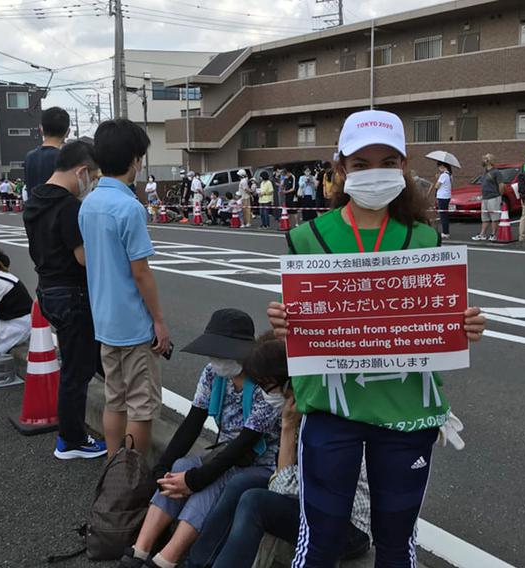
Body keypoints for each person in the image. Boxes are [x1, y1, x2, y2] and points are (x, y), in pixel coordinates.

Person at [266, 109, 486, 567]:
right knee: (319, 542)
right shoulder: (307, 238)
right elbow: (297, 322)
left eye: (388, 161)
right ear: (341, 167)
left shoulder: (425, 238)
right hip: (331, 410)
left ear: (404, 167)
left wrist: (462, 326)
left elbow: (437, 320)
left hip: (406, 413)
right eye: (361, 164)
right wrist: (282, 323)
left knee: (395, 545)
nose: (375, 173)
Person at [187, 332, 370, 568]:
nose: (266, 394)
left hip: (347, 527)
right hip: (312, 506)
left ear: (289, 382)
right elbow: (285, 484)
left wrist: (287, 427)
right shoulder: (300, 409)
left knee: (255, 502)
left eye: (267, 386)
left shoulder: (322, 420)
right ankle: (196, 562)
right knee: (240, 484)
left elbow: (282, 490)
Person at [119, 309, 281, 568]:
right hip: (226, 453)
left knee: (215, 480)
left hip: (261, 462)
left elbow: (246, 442)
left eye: (221, 353)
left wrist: (196, 480)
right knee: (180, 467)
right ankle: (141, 549)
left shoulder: (264, 381)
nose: (215, 360)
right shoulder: (213, 374)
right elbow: (193, 423)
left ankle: (167, 558)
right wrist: (164, 465)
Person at [80, 119, 170, 457]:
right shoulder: (129, 208)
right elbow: (141, 273)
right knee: (142, 406)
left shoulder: (88, 203)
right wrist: (159, 322)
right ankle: (133, 478)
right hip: (133, 325)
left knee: (114, 399)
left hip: (104, 322)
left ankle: (114, 470)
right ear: (134, 159)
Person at [23, 140, 107, 459]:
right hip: (72, 293)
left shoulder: (35, 200)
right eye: (94, 177)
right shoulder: (70, 206)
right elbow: (84, 258)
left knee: (85, 360)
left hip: (47, 290)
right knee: (76, 370)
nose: (93, 184)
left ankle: (79, 431)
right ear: (81, 171)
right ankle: (70, 439)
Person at [24, 106, 71, 190]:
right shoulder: (66, 157)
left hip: (32, 202)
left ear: (41, 129)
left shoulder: (29, 157)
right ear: (68, 132)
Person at [472, 154, 504, 242]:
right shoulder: (484, 172)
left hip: (494, 197)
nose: (483, 160)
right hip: (485, 198)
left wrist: (499, 196)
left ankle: (493, 234)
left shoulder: (496, 172)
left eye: (485, 158)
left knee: (494, 217)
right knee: (485, 217)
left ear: (489, 161)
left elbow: (501, 185)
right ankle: (482, 234)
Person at [432, 161, 453, 240]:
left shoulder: (443, 175)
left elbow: (437, 186)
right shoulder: (450, 175)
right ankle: (446, 231)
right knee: (445, 214)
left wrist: (438, 179)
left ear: (443, 166)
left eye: (439, 167)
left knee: (443, 215)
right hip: (447, 196)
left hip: (442, 197)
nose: (439, 169)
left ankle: (445, 233)